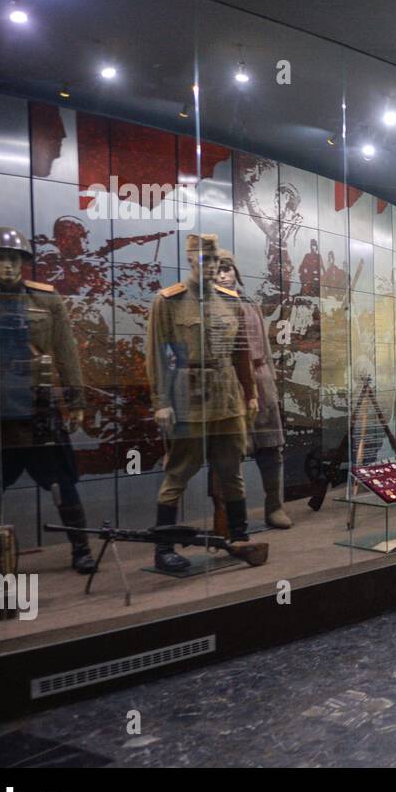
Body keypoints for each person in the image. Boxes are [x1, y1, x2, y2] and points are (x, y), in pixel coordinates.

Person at [0, 227, 96, 573]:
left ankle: (81, 549)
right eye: (1, 258)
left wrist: (76, 401)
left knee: (62, 481)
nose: (8, 266)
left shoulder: (46, 298)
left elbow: (66, 352)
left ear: (24, 263)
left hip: (38, 398)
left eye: (14, 259)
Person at [145, 233, 258, 572]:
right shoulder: (169, 301)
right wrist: (161, 401)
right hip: (187, 396)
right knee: (178, 472)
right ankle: (163, 548)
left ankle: (239, 536)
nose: (211, 267)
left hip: (226, 397)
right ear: (191, 260)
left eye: (215, 261)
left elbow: (242, 354)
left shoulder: (231, 300)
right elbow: (156, 355)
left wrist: (250, 393)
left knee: (231, 470)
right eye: (204, 260)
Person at [216, 250, 290, 529]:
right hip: (228, 382)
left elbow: (266, 350)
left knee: (271, 447)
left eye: (227, 269)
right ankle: (232, 516)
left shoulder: (250, 304)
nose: (223, 275)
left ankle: (275, 506)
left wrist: (269, 381)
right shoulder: (208, 307)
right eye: (217, 270)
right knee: (229, 451)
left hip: (260, 378)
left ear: (235, 271)